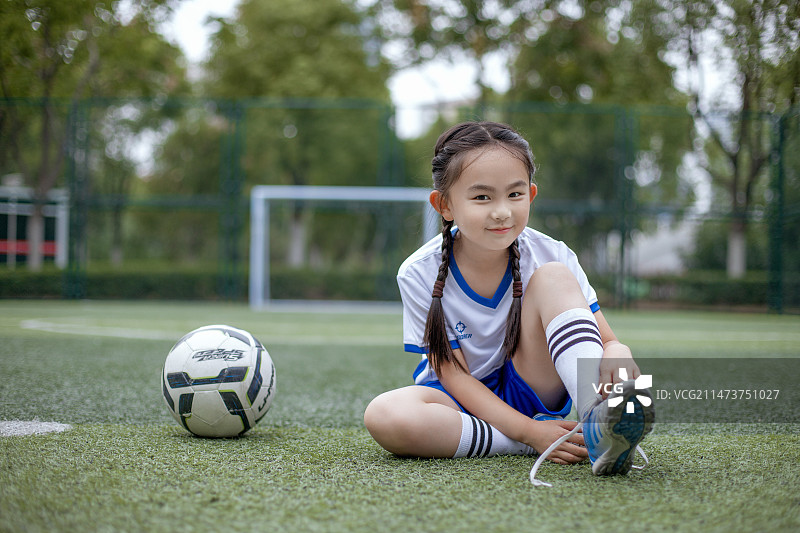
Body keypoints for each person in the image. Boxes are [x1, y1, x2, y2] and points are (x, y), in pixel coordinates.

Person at [363, 121, 654, 486]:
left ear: (531, 195)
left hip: (532, 384)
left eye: (514, 195)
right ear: (445, 204)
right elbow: (453, 376)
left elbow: (606, 337)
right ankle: (527, 442)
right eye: (482, 197)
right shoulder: (417, 272)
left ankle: (600, 422)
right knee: (385, 415)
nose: (502, 212)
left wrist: (617, 348)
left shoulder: (553, 253)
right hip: (461, 402)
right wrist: (531, 434)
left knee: (553, 276)